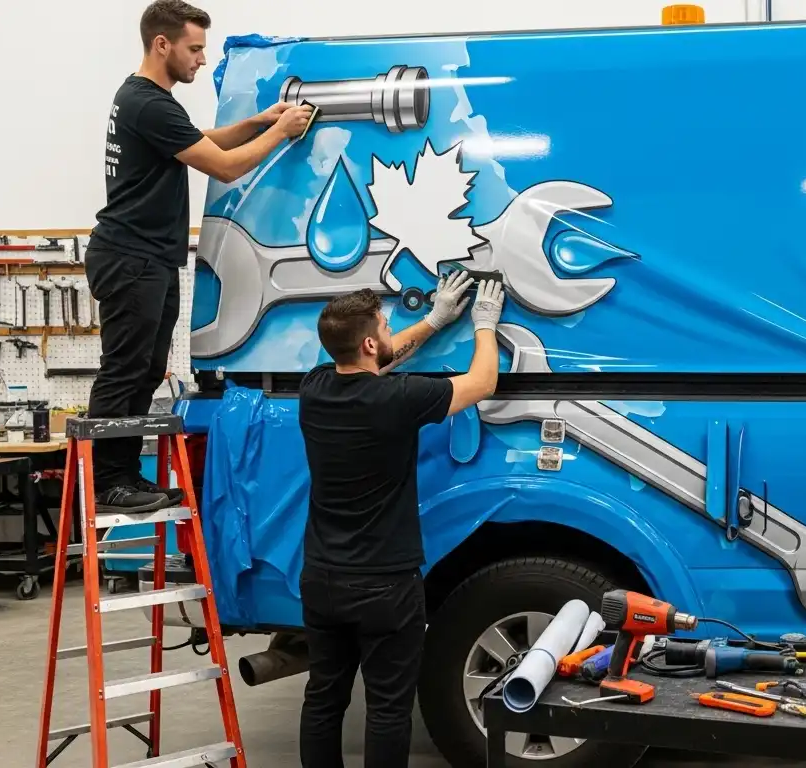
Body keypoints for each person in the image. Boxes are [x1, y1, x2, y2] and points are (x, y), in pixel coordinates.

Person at [86, 0, 314, 513]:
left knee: (147, 370)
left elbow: (202, 141)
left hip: (149, 258)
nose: (203, 60)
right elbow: (226, 168)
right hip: (131, 256)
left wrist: (260, 120)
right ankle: (107, 482)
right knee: (125, 369)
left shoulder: (149, 101)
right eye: (195, 49)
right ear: (161, 44)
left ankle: (123, 477)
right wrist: (283, 132)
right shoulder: (149, 103)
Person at [296, 272, 505, 768]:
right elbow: (482, 382)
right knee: (388, 708)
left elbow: (378, 362)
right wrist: (483, 324)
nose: (393, 332)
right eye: (387, 327)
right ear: (369, 342)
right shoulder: (398, 400)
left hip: (322, 578)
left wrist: (432, 321)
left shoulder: (315, 388)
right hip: (384, 586)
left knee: (323, 697)